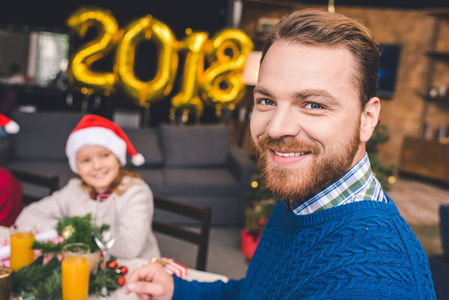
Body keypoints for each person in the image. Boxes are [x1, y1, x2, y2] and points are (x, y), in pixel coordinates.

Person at [124, 9, 436, 299]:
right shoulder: (303, 198)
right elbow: (255, 292)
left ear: (368, 118)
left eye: (313, 104)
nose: (276, 128)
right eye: (266, 101)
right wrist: (177, 290)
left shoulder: (373, 285)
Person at [15, 114, 160, 259]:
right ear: (76, 166)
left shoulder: (136, 192)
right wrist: (67, 229)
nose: (97, 166)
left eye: (104, 155)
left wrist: (73, 233)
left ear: (117, 157)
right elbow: (27, 217)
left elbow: (128, 249)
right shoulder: (75, 189)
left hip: (136, 269)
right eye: (86, 160)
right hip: (85, 265)